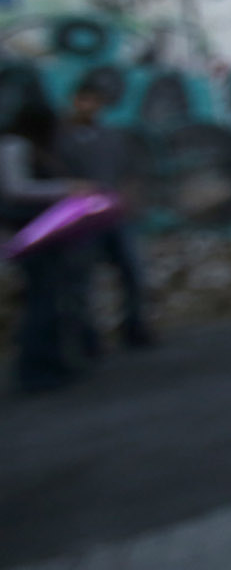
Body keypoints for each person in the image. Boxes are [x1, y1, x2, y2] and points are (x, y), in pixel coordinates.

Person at [2, 99, 98, 393]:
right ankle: (36, 370)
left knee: (53, 302)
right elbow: (15, 189)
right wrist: (65, 189)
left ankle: (53, 363)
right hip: (30, 235)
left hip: (46, 235)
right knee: (41, 304)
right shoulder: (14, 145)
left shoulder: (35, 147)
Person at [57, 81, 154, 349]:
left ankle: (134, 327)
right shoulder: (61, 139)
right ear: (74, 102)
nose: (88, 106)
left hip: (115, 216)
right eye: (83, 100)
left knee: (132, 272)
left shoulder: (112, 137)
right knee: (82, 280)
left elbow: (129, 172)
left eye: (93, 101)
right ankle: (87, 337)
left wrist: (130, 200)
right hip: (80, 219)